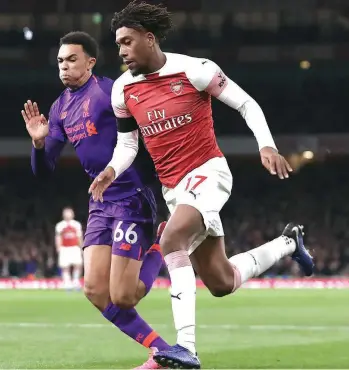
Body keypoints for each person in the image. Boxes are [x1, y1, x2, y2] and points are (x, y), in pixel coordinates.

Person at [89, 1, 315, 368]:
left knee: (171, 240)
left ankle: (187, 348)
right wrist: (112, 170)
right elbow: (129, 143)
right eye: (118, 44)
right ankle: (289, 241)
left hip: (208, 172)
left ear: (149, 39)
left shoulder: (195, 70)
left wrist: (267, 145)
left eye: (127, 42)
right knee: (221, 281)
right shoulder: (123, 91)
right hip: (174, 189)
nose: (121, 51)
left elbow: (246, 104)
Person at [24, 31, 171, 369]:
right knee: (93, 289)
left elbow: (146, 130)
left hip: (131, 195)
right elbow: (44, 171)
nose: (64, 66)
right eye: (60, 61)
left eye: (72, 59)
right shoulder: (59, 108)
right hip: (100, 201)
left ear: (90, 62)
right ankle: (161, 351)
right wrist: (38, 144)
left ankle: (160, 246)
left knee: (125, 295)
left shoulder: (109, 92)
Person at [55, 207, 83, 289]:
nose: (68, 214)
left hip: (75, 247)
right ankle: (67, 282)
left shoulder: (77, 224)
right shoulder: (60, 225)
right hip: (64, 248)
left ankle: (75, 281)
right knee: (65, 266)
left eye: (69, 212)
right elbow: (58, 237)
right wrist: (58, 247)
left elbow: (79, 237)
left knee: (78, 264)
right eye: (66, 213)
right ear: (63, 215)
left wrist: (81, 247)